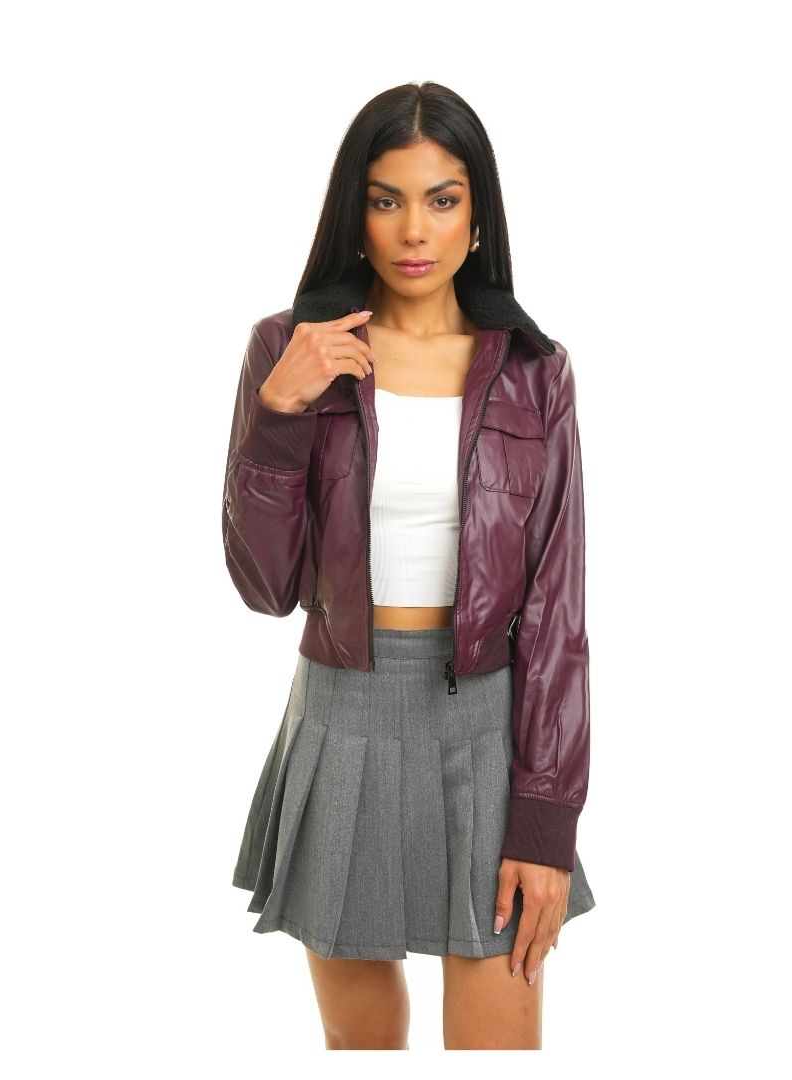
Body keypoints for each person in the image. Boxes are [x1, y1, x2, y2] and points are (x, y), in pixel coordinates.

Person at [222, 81, 595, 1050]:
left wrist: (547, 819)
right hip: (342, 718)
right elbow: (266, 587)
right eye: (386, 199)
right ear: (355, 213)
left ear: (478, 216)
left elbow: (556, 614)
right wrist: (278, 414)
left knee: (499, 1044)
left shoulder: (536, 371)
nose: (414, 229)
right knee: (363, 1052)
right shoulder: (290, 350)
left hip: (487, 728)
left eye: (442, 198)